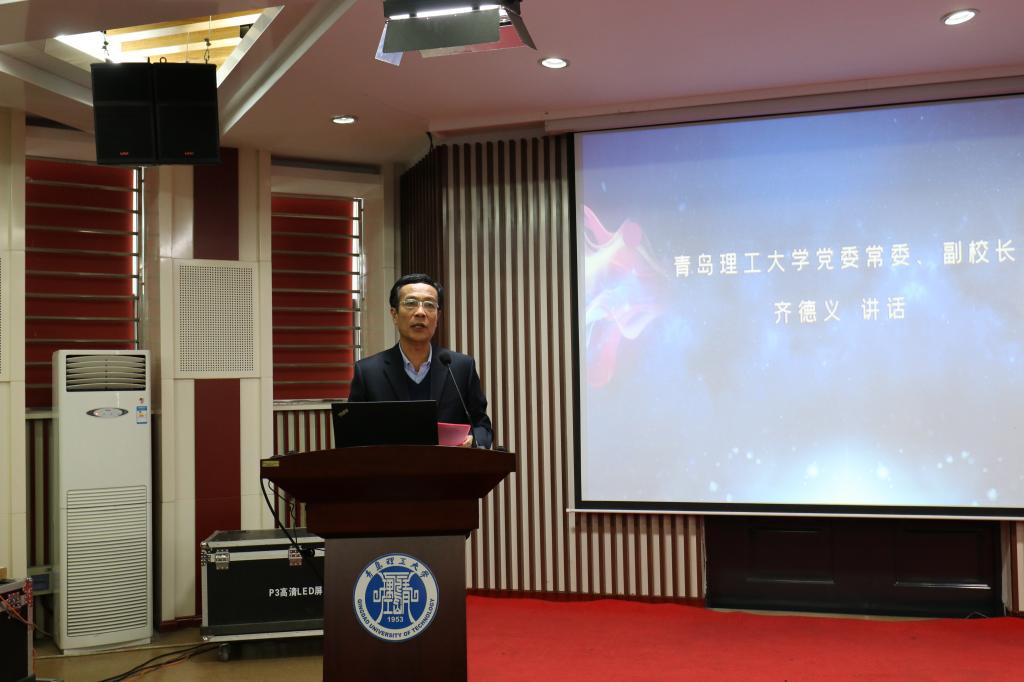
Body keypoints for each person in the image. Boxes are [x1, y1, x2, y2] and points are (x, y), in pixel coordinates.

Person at [347, 273, 493, 448]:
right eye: (411, 303)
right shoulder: (368, 372)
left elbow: (482, 426)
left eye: (429, 305)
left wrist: (474, 440)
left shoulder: (461, 368)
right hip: (390, 465)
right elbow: (352, 434)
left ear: (437, 316)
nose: (420, 313)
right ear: (394, 314)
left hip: (448, 464)